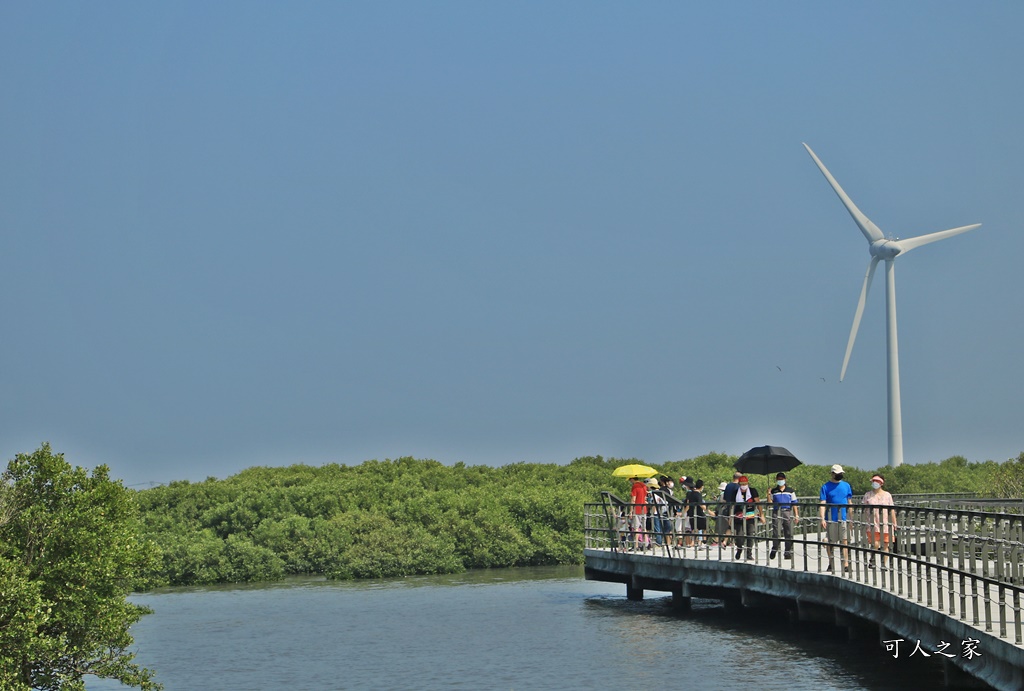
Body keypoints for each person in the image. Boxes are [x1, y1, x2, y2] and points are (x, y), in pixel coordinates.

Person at [819, 464, 853, 572]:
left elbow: (849, 502)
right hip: (831, 518)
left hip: (843, 517)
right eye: (838, 474)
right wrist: (822, 518)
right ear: (832, 474)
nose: (840, 475)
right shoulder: (825, 487)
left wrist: (851, 518)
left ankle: (846, 564)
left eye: (841, 474)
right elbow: (822, 503)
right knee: (831, 542)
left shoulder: (846, 485)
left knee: (845, 541)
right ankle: (831, 562)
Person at [862, 474, 897, 569]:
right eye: (873, 481)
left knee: (886, 543)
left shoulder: (887, 495)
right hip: (872, 522)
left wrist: (894, 523)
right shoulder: (868, 495)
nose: (874, 483)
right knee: (875, 542)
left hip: (885, 523)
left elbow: (892, 510)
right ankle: (872, 559)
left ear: (881, 483)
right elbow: (863, 508)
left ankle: (883, 564)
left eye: (877, 481)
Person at [732, 475, 765, 560]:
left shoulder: (753, 491)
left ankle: (749, 553)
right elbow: (732, 506)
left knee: (751, 534)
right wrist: (730, 517)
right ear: (739, 484)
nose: (744, 485)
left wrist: (761, 515)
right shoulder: (736, 492)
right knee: (739, 536)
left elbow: (758, 502)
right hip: (739, 516)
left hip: (750, 515)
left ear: (748, 483)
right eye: (742, 484)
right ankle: (739, 549)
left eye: (745, 484)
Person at [769, 472, 799, 560]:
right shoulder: (774, 491)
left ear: (785, 480)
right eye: (778, 479)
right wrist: (768, 493)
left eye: (781, 479)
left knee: (788, 532)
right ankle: (775, 548)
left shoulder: (790, 491)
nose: (780, 481)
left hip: (787, 511)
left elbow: (794, 503)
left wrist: (796, 515)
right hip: (776, 511)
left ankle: (787, 551)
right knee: (776, 532)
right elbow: (770, 502)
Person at [685, 479, 709, 546]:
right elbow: (701, 504)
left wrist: (684, 512)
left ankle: (693, 542)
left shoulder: (690, 493)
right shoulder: (698, 494)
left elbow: (688, 503)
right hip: (699, 513)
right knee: (705, 527)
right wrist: (709, 511)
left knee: (694, 528)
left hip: (691, 513)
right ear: (701, 486)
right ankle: (704, 541)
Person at [629, 477, 648, 550]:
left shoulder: (635, 486)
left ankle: (636, 545)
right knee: (644, 528)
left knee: (636, 528)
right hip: (644, 509)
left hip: (637, 509)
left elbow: (633, 499)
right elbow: (645, 498)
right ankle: (645, 545)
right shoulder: (644, 486)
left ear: (632, 479)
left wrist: (631, 511)